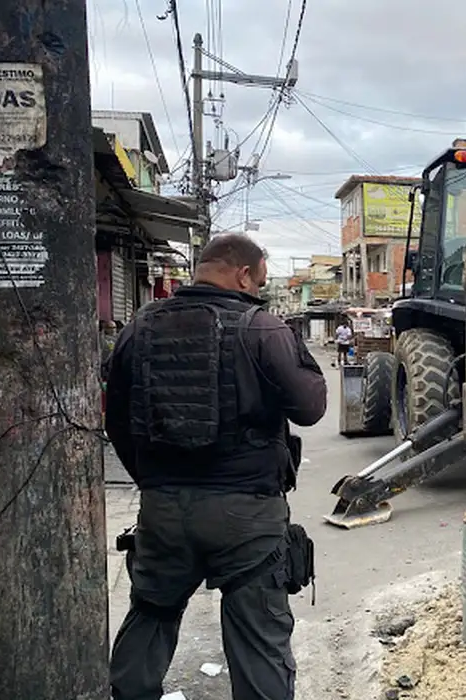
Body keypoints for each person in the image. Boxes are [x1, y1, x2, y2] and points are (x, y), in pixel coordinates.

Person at [105, 233, 328, 700]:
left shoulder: (140, 326)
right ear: (243, 274)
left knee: (150, 618)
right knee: (259, 641)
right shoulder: (260, 326)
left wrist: (154, 483)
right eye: (260, 282)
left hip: (164, 511)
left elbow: (117, 421)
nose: (260, 291)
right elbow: (310, 407)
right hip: (246, 518)